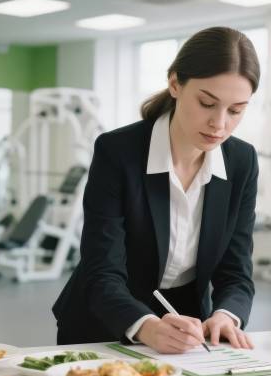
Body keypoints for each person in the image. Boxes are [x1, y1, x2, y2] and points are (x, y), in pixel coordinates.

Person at [52, 26, 259, 354]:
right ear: (175, 84)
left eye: (236, 110)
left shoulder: (241, 161)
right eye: (207, 103)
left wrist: (226, 315)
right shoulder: (118, 151)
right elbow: (101, 267)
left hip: (188, 327)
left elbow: (236, 269)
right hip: (103, 323)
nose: (220, 124)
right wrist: (145, 326)